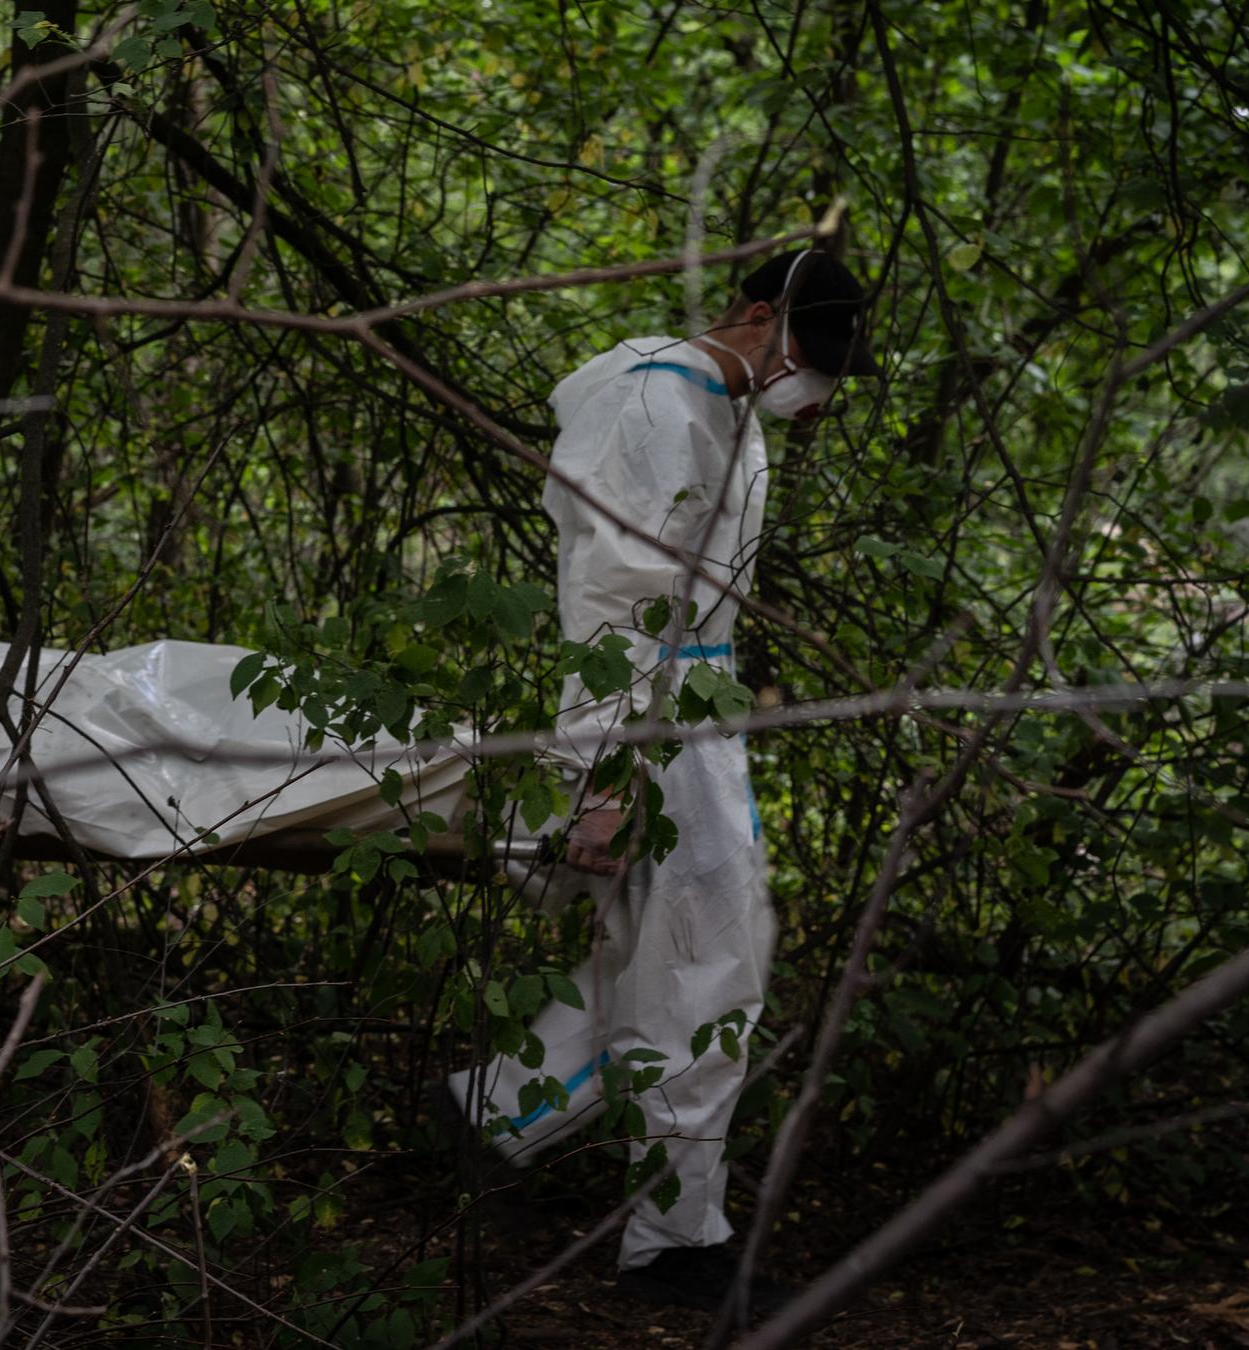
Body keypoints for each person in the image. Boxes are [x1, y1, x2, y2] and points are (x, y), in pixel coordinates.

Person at [433, 249, 877, 1311]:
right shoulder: (654, 407)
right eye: (808, 359)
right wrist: (601, 773)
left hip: (694, 718)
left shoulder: (723, 412)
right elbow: (615, 604)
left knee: (692, 966)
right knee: (708, 970)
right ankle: (660, 1231)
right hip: (652, 722)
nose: (812, 389)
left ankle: (498, 1116)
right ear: (758, 317)